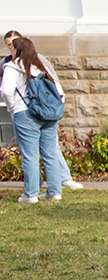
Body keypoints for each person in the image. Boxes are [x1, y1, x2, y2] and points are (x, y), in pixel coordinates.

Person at [1, 36, 81, 204]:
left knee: (30, 155)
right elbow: (57, 87)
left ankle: (31, 194)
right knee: (50, 153)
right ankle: (54, 191)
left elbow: (7, 90)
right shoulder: (41, 65)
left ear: (17, 50)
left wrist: (13, 106)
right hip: (48, 114)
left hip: (25, 114)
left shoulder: (12, 66)